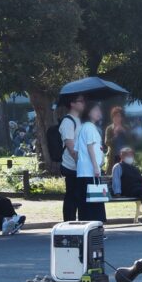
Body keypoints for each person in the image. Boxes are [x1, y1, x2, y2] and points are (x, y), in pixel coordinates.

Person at [75, 102, 107, 222]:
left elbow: (77, 152)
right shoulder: (90, 127)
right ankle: (97, 228)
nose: (99, 113)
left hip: (83, 171)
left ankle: (86, 228)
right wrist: (95, 166)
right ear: (89, 112)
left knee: (85, 202)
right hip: (90, 171)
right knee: (95, 202)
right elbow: (90, 147)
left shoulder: (83, 127)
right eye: (96, 110)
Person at [110, 147, 142, 224]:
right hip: (128, 189)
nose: (130, 158)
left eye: (131, 156)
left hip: (138, 187)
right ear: (121, 156)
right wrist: (117, 192)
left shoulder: (134, 167)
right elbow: (116, 180)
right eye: (127, 156)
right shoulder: (118, 166)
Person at [58, 94, 85, 222]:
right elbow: (71, 147)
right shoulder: (68, 121)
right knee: (71, 196)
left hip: (80, 166)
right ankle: (69, 223)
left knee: (78, 196)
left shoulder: (80, 120)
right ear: (72, 103)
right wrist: (80, 162)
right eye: (80, 101)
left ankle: (77, 223)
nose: (83, 103)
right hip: (72, 166)